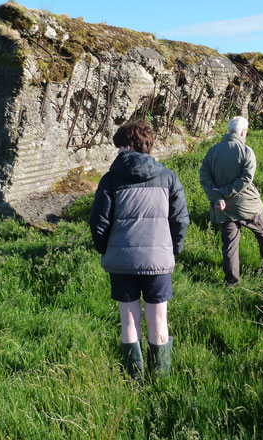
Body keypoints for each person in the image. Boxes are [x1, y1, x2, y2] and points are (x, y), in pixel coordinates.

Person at [89, 121, 189, 379]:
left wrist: (106, 250)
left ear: (129, 145)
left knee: (129, 319)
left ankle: (134, 378)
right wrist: (172, 251)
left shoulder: (110, 179)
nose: (118, 151)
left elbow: (99, 222)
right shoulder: (168, 177)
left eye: (120, 146)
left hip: (121, 260)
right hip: (158, 260)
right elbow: (180, 220)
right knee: (158, 319)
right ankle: (162, 379)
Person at [199, 116, 263, 285]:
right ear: (243, 132)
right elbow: (246, 179)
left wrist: (217, 196)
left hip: (223, 208)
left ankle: (232, 281)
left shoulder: (212, 151)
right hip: (247, 206)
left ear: (229, 130)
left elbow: (204, 176)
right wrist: (224, 192)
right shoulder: (246, 151)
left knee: (230, 244)